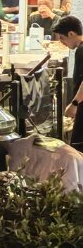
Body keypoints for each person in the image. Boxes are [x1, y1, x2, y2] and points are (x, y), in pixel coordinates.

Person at [52, 15, 83, 148]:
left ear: (71, 33)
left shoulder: (81, 50)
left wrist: (75, 103)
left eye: (62, 38)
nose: (61, 42)